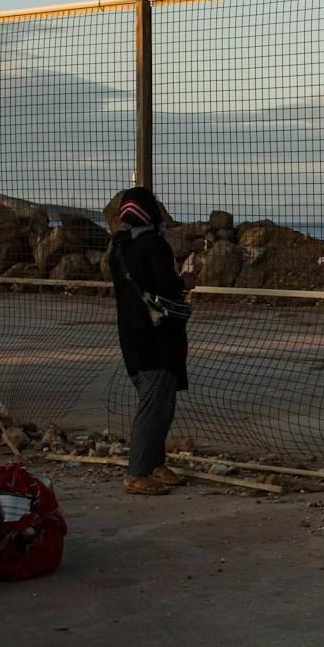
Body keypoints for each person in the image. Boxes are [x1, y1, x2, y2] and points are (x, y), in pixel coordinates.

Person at [107, 188, 190, 496]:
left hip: (132, 335)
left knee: (159, 403)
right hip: (156, 338)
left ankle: (155, 463)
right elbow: (167, 285)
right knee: (154, 407)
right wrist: (186, 282)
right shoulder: (154, 244)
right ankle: (137, 472)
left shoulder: (117, 247)